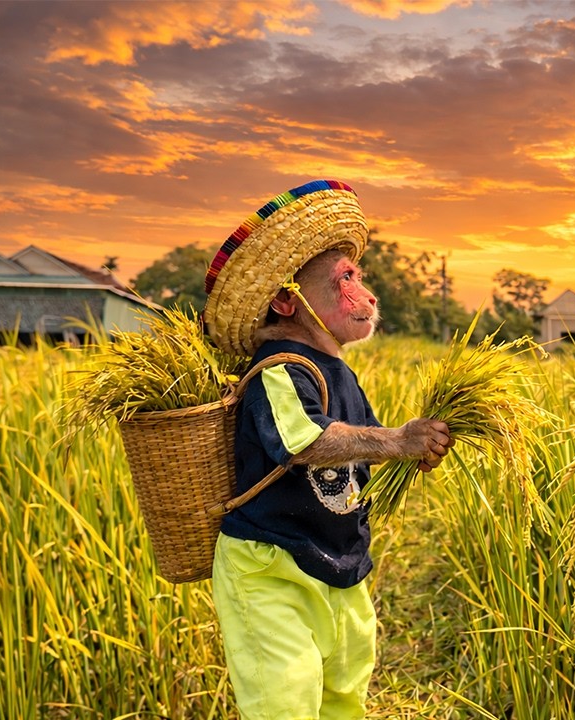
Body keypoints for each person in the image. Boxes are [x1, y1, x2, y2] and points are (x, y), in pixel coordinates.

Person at [202, 179, 455, 718]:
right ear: (287, 300)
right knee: (285, 700)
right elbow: (306, 443)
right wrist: (398, 439)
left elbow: (367, 455)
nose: (364, 294)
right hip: (271, 567)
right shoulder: (279, 368)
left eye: (358, 277)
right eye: (344, 279)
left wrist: (417, 451)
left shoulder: (340, 372)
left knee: (345, 694)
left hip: (340, 563)